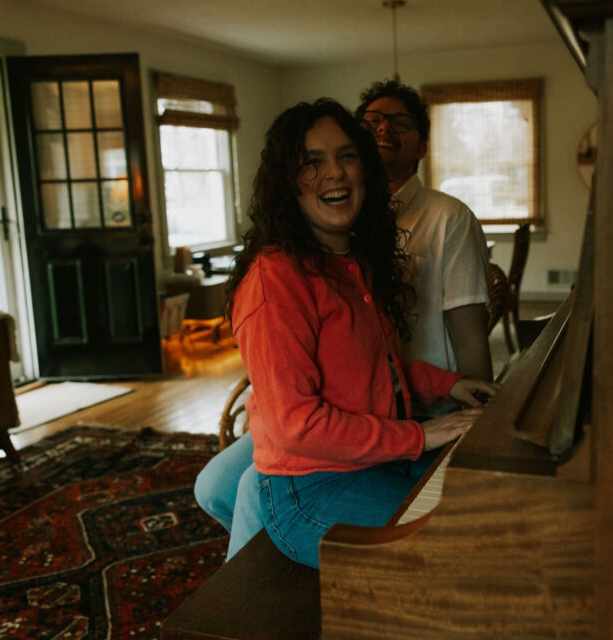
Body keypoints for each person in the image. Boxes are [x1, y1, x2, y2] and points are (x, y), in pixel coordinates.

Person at [196, 99, 498, 568]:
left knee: (484, 515)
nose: (333, 173)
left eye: (346, 156)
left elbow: (374, 373)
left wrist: (448, 384)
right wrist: (421, 434)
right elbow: (296, 425)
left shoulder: (350, 263)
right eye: (311, 163)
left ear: (365, 171)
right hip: (310, 490)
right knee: (457, 554)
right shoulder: (275, 279)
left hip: (369, 462)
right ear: (287, 183)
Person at [355, 80, 493, 386]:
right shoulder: (342, 217)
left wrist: (479, 413)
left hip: (433, 403)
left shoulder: (449, 217)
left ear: (422, 147)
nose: (384, 129)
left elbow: (470, 335)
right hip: (362, 404)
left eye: (400, 123)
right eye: (373, 121)